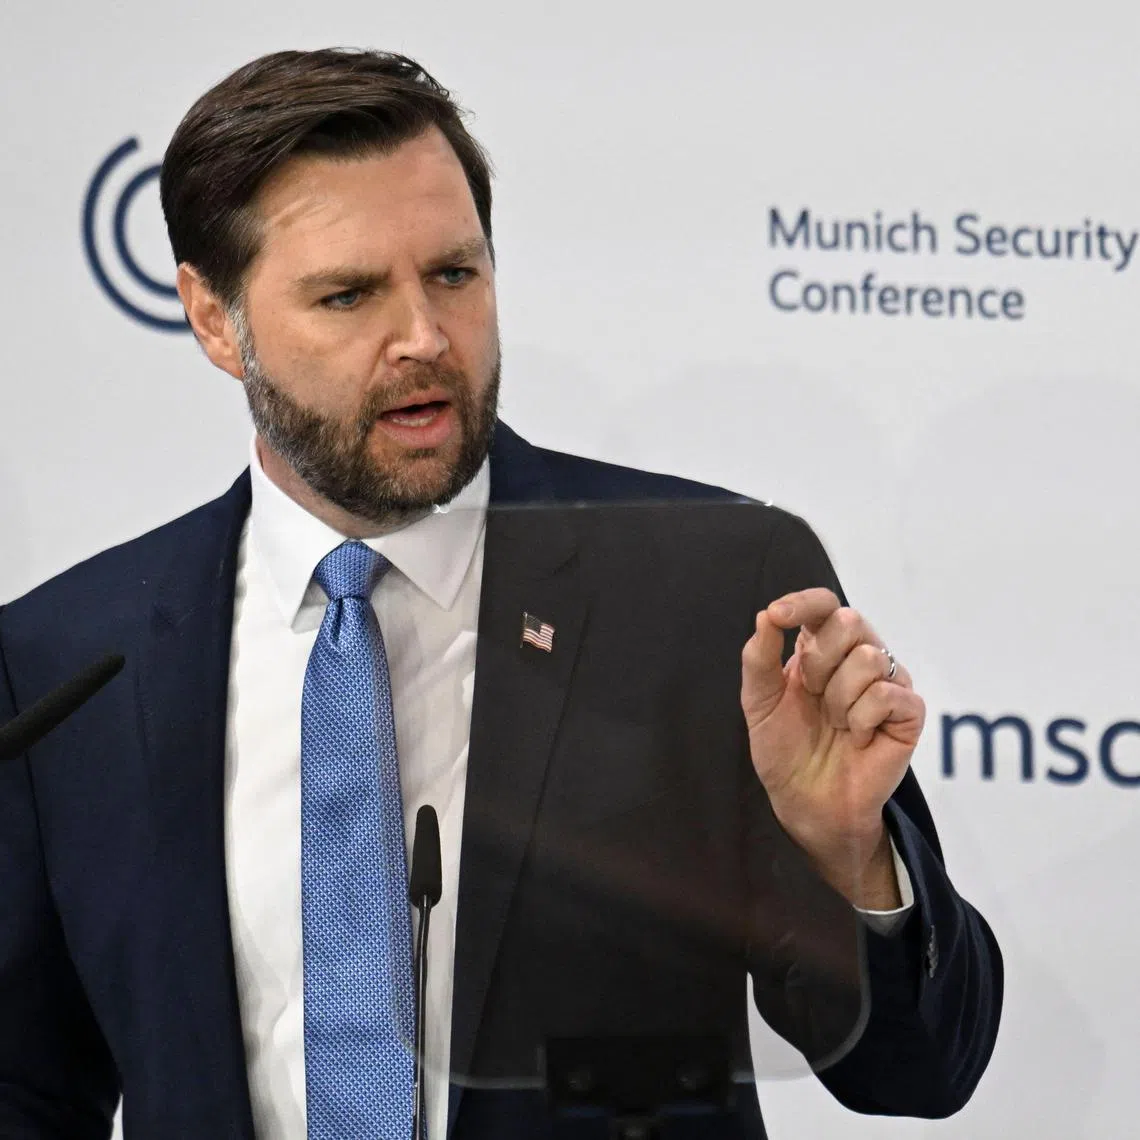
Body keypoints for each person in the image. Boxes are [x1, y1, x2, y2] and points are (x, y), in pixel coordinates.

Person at [0, 49, 1001, 1140]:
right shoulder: (72, 662)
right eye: (348, 295)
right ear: (210, 317)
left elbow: (921, 1070)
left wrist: (844, 855)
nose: (425, 339)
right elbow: (28, 1086)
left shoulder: (712, 592)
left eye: (455, 275)